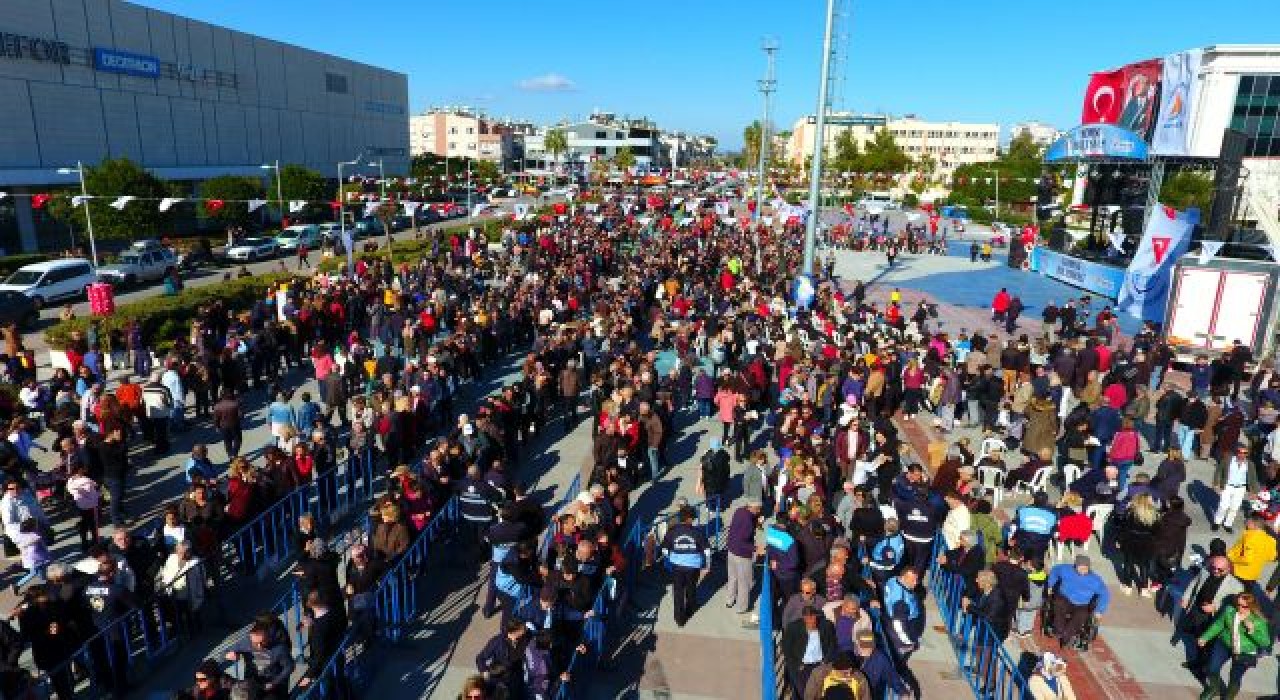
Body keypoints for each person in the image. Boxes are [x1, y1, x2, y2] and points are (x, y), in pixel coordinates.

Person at [1196, 593, 1270, 699]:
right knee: (1212, 667)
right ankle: (1213, 688)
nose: (1240, 608)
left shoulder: (1259, 621)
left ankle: (1229, 696)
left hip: (1244, 651)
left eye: (1244, 606)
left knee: (1235, 677)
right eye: (1238, 604)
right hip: (1224, 644)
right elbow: (1218, 625)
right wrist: (1205, 637)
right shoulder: (1229, 611)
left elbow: (1265, 642)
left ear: (1251, 606)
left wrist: (1252, 631)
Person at [660, 506, 710, 627]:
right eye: (693, 517)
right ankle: (690, 608)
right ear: (689, 519)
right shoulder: (697, 532)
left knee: (678, 592)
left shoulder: (672, 531)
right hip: (693, 567)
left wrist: (668, 562)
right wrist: (707, 565)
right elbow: (707, 551)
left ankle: (679, 619)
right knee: (691, 588)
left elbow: (664, 549)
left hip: (677, 566)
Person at [1046, 555, 1109, 649]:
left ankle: (1066, 636)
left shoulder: (1095, 580)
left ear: (1089, 567)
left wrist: (1099, 611)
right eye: (1081, 567)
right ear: (1075, 566)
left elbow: (1105, 594)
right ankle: (1059, 629)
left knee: (1082, 615)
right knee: (1058, 604)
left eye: (1085, 568)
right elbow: (1055, 570)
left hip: (1082, 604)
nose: (1083, 569)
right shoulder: (1066, 569)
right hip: (1065, 598)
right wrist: (1050, 584)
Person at [225, 622, 294, 699]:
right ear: (250, 636)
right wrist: (229, 655)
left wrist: (274, 683)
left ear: (268, 636)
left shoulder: (279, 648)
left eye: (262, 641)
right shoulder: (245, 642)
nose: (259, 646)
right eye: (255, 643)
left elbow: (289, 667)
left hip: (273, 685)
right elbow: (225, 652)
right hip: (252, 683)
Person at [781, 605, 837, 698]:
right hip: (800, 666)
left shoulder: (826, 626)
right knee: (804, 692)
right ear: (804, 618)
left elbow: (832, 644)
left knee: (819, 691)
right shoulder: (793, 628)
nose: (812, 621)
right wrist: (797, 664)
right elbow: (787, 649)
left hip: (819, 665)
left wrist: (826, 661)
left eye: (814, 618)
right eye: (809, 619)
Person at [725, 500, 762, 620]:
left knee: (732, 578)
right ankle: (742, 607)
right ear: (754, 508)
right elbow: (742, 542)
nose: (759, 511)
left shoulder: (739, 511)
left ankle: (729, 600)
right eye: (758, 509)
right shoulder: (748, 522)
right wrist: (756, 549)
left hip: (731, 551)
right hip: (742, 555)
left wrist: (756, 521)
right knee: (744, 582)